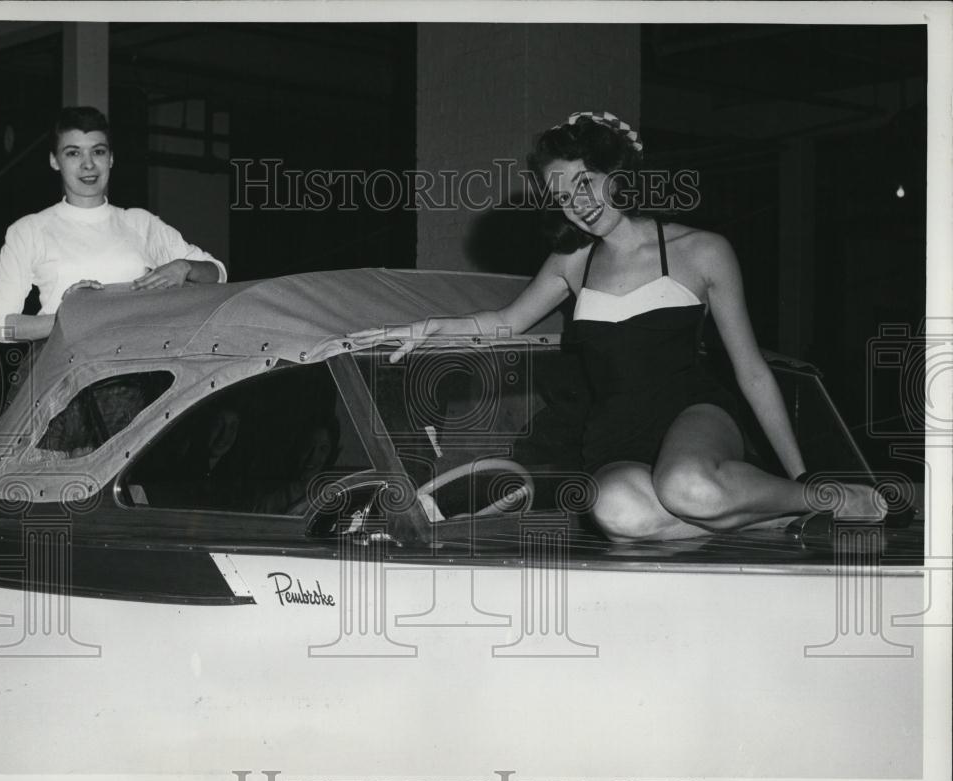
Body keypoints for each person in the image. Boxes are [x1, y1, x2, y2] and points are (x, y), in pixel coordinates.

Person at [351, 110, 894, 541]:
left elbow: (751, 372)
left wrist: (802, 474)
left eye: (585, 182)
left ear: (616, 172)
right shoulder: (573, 263)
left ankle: (827, 499)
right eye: (562, 197)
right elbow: (503, 321)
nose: (578, 205)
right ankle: (772, 519)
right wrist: (425, 329)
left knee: (686, 485)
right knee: (616, 513)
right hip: (615, 434)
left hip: (695, 412)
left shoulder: (702, 251)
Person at [0, 106, 226, 344]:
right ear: (55, 161)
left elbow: (218, 273)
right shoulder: (29, 230)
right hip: (68, 372)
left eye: (97, 152)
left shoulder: (140, 222)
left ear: (110, 158)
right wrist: (65, 319)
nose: (88, 165)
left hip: (140, 366)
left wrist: (184, 267)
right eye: (73, 153)